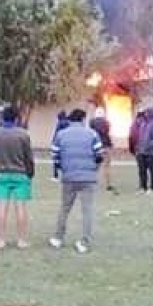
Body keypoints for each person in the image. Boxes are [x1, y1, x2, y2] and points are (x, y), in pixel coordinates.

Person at [49, 108, 104, 253]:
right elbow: (99, 155)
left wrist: (63, 169)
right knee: (87, 210)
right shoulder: (92, 134)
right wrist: (94, 169)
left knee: (64, 208)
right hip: (88, 178)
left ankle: (58, 238)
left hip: (69, 177)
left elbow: (55, 155)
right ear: (83, 119)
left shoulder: (61, 135)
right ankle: (84, 241)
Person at [0, 106, 36, 249]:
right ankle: (21, 240)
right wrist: (30, 172)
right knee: (21, 207)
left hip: (1, 174)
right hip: (21, 174)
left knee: (2, 207)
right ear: (16, 119)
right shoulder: (23, 135)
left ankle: (1, 240)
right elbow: (29, 157)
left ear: (2, 118)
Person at [136, 108, 153, 194]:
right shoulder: (143, 124)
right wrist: (139, 147)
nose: (145, 115)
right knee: (142, 170)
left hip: (151, 152)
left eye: (146, 113)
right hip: (141, 151)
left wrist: (147, 146)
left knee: (152, 170)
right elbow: (140, 136)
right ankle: (143, 187)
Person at [89, 107, 115, 192]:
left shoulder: (91, 122)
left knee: (95, 165)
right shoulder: (107, 123)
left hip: (96, 146)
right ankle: (108, 184)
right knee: (106, 166)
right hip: (106, 145)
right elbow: (107, 132)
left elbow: (91, 133)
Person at [50, 111, 69, 181]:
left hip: (58, 143)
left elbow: (56, 133)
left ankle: (55, 176)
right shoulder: (69, 123)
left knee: (55, 159)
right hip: (66, 143)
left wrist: (53, 142)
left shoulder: (60, 123)